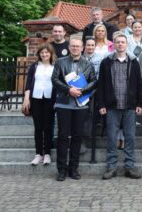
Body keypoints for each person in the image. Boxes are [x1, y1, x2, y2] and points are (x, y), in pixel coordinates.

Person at [97, 33, 142, 180]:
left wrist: (139, 103)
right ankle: (111, 167)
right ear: (114, 45)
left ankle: (129, 166)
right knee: (112, 137)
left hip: (129, 106)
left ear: (126, 44)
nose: (120, 44)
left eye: (123, 42)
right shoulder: (106, 62)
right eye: (117, 42)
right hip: (112, 106)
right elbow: (101, 85)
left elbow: (139, 84)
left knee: (130, 137)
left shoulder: (133, 62)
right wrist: (102, 104)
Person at [51, 37, 97, 181]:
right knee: (63, 136)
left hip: (80, 106)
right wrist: (68, 90)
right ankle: (61, 170)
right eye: (73, 46)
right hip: (63, 104)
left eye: (78, 46)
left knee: (77, 136)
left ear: (82, 48)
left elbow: (94, 81)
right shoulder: (60, 62)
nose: (75, 48)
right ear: (69, 47)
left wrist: (82, 91)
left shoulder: (88, 64)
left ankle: (73, 169)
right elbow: (54, 79)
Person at [22, 43, 57, 166]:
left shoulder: (55, 66)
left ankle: (47, 154)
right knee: (38, 127)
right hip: (36, 99)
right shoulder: (34, 66)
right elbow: (28, 84)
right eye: (42, 52)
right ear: (39, 54)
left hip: (50, 99)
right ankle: (38, 154)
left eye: (47, 52)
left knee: (48, 127)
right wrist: (27, 99)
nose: (44, 54)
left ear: (51, 54)